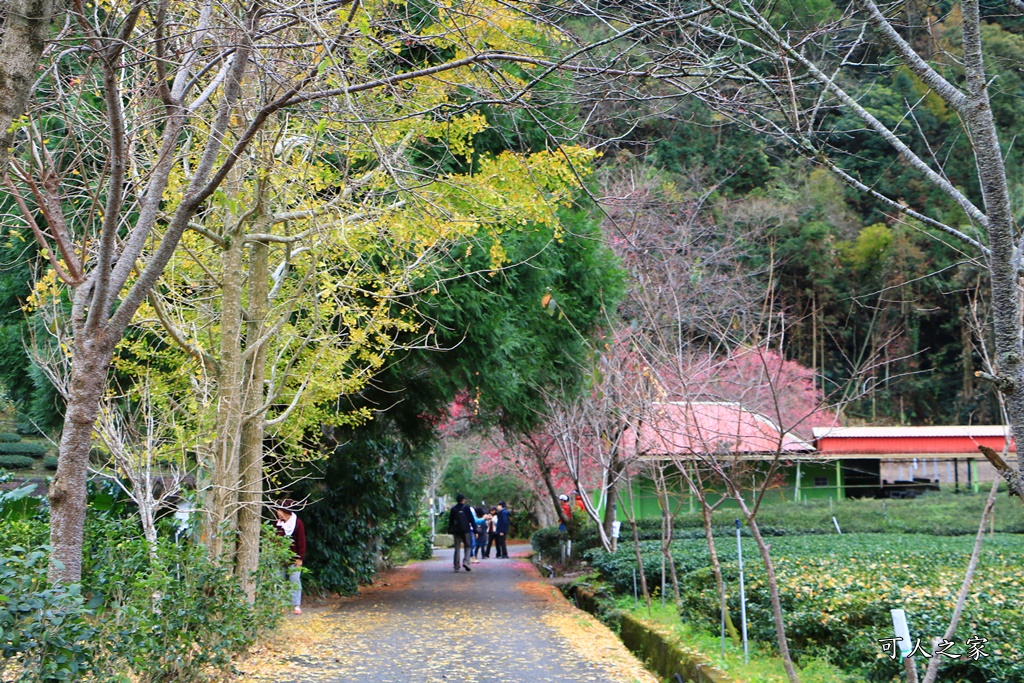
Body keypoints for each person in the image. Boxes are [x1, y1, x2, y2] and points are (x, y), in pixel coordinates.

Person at [274, 500, 306, 615]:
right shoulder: (277, 523)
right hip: (279, 557)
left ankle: (296, 605)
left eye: (279, 510)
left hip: (294, 557)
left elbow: (301, 541)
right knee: (279, 580)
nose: (278, 512)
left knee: (294, 580)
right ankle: (281, 604)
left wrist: (300, 558)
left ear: (285, 511)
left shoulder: (297, 523)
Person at [447, 494, 475, 572]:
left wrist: (449, 530)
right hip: (466, 530)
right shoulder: (467, 508)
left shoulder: (453, 509)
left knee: (457, 548)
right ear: (463, 500)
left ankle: (456, 566)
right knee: (468, 546)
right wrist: (475, 530)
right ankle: (466, 562)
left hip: (456, 531)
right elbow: (471, 520)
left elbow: (451, 521)